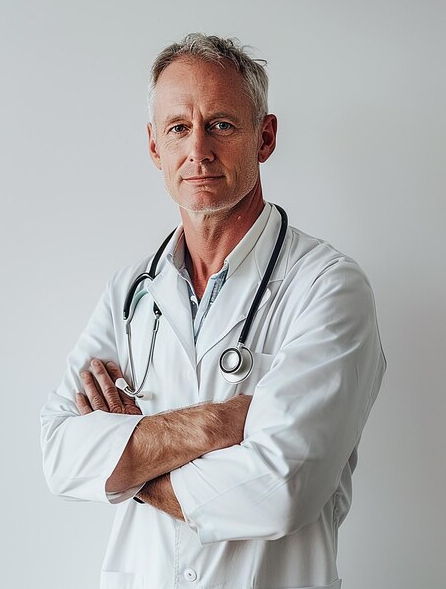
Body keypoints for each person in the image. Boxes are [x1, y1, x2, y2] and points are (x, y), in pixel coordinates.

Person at [40, 33, 385, 589]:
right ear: (155, 147)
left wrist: (127, 456)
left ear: (264, 137)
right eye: (178, 127)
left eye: (220, 124)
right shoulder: (131, 292)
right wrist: (221, 422)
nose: (197, 149)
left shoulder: (328, 287)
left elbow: (280, 491)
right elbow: (60, 452)